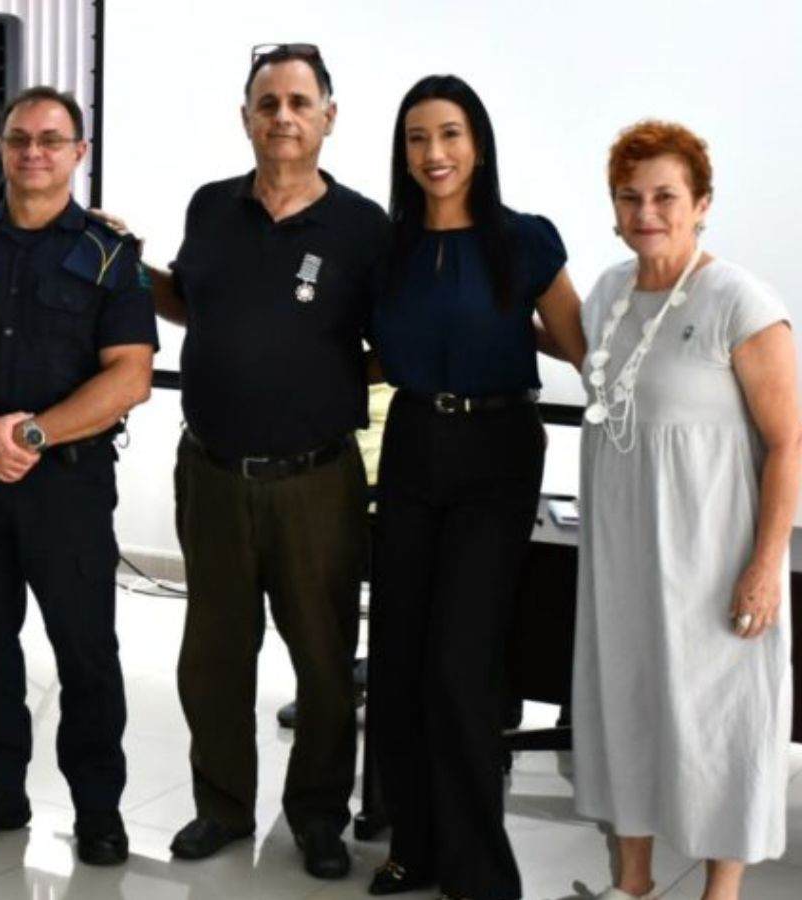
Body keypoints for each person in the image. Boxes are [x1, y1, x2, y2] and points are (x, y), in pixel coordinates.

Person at [127, 43, 389, 877]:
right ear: (246, 117)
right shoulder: (211, 208)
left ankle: (315, 817)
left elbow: (390, 341)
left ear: (328, 118)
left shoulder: (362, 227)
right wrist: (129, 267)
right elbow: (187, 300)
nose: (283, 116)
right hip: (211, 474)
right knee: (212, 658)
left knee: (320, 661)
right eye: (267, 102)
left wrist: (319, 371)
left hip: (316, 481)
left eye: (299, 102)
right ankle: (222, 809)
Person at [0, 86, 156, 866]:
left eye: (52, 140)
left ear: (79, 153)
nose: (34, 152)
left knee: (84, 650)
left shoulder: (112, 255)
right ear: (1, 149)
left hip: (68, 484)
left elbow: (131, 376)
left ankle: (98, 808)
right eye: (20, 139)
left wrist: (35, 434)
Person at [365, 74, 586, 900]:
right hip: (416, 441)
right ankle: (412, 848)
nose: (434, 153)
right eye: (418, 138)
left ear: (479, 144)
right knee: (398, 662)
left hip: (499, 449)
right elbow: (378, 354)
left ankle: (478, 870)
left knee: (461, 666)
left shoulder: (523, 241)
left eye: (450, 134)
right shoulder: (387, 248)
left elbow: (585, 351)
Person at [571, 121, 799, 900]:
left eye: (666, 196)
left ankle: (720, 892)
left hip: (712, 561)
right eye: (630, 197)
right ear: (613, 209)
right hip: (622, 558)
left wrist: (766, 567)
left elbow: (788, 445)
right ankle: (633, 884)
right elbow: (579, 357)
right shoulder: (606, 292)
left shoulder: (740, 300)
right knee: (624, 706)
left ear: (701, 203)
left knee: (720, 723)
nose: (647, 212)